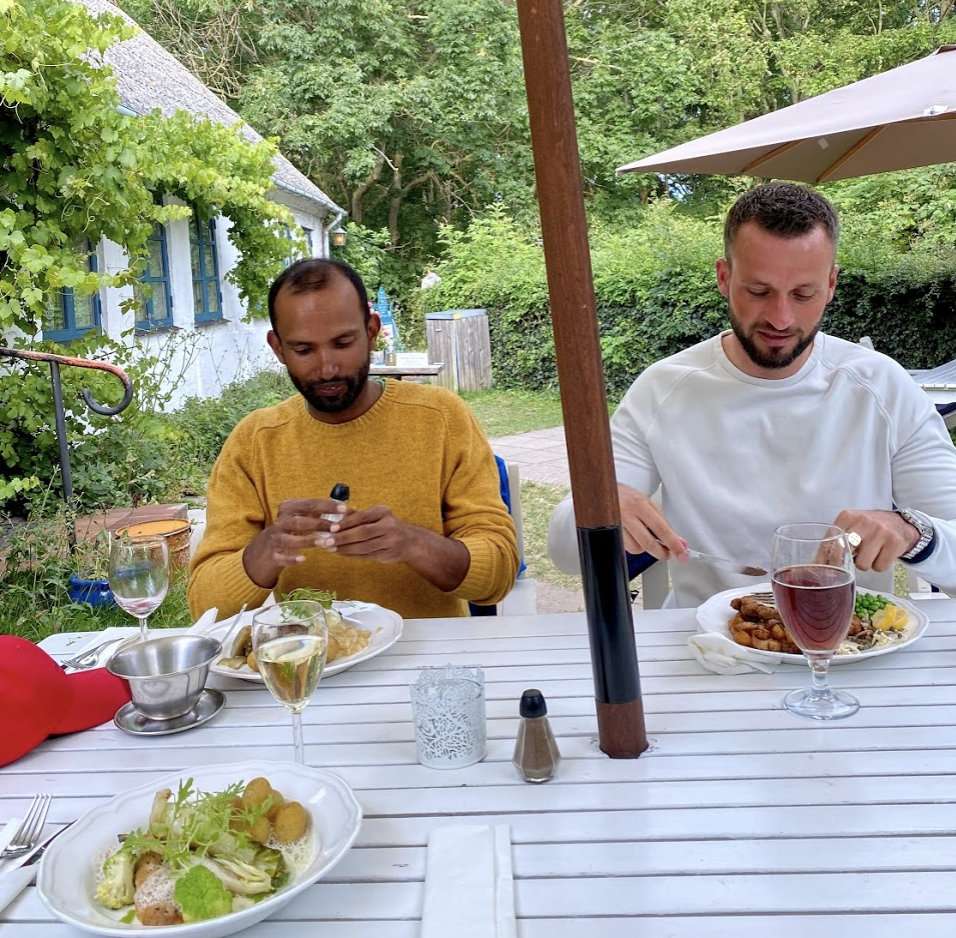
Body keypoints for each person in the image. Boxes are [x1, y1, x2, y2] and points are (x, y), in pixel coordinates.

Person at [548, 182, 956, 607]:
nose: (781, 318)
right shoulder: (664, 389)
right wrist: (601, 504)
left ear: (831, 284)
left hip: (846, 636)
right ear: (724, 278)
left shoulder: (882, 388)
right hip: (700, 638)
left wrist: (912, 533)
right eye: (759, 292)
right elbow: (564, 553)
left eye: (803, 294)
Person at [188, 258, 519, 621]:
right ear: (278, 348)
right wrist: (265, 552)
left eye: (343, 343)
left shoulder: (440, 418)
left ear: (372, 331)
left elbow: (499, 575)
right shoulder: (254, 442)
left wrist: (411, 543)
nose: (327, 368)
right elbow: (205, 607)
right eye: (303, 350)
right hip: (314, 654)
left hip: (434, 652)